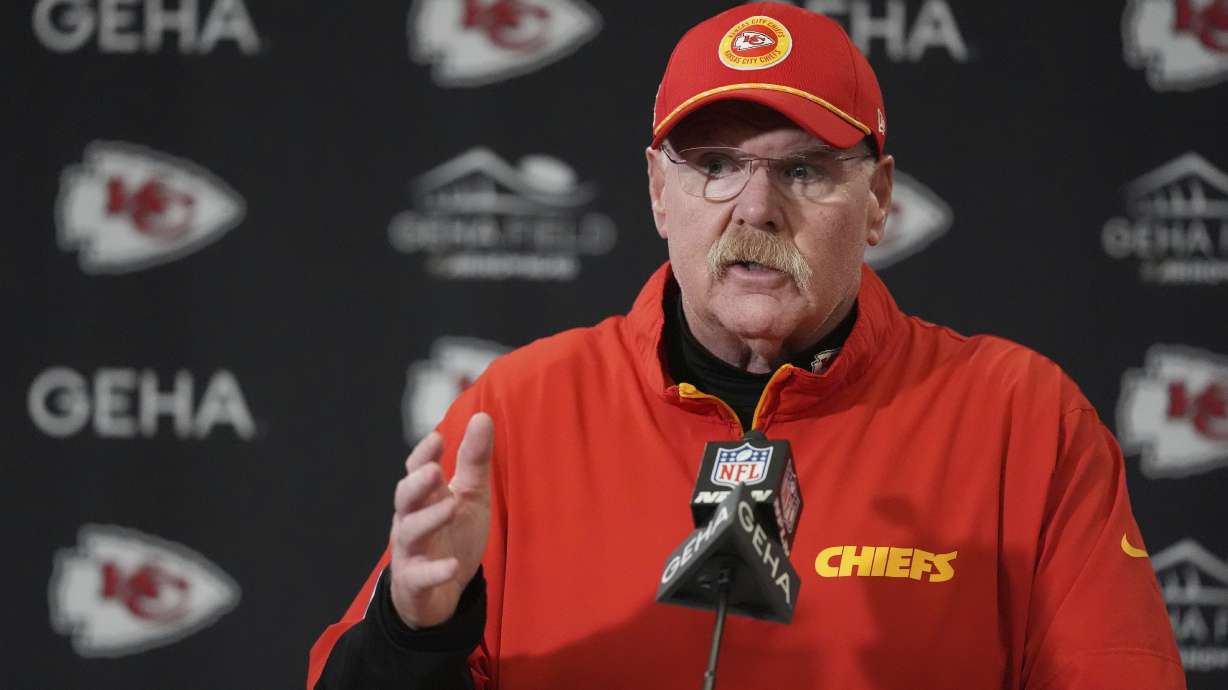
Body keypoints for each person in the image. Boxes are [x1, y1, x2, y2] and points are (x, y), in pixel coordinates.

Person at [308, 4, 1184, 689]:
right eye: (715, 164)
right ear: (659, 192)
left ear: (879, 199)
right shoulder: (520, 410)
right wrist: (410, 632)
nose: (756, 208)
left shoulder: (1021, 420)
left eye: (802, 168)